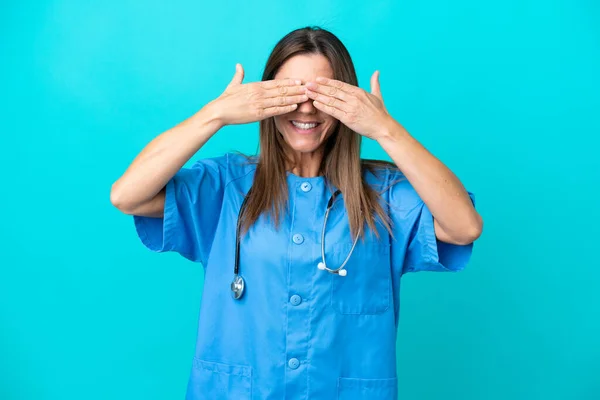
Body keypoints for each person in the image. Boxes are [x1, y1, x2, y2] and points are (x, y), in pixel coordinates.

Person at [111, 26, 483, 400]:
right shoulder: (226, 185)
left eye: (322, 93)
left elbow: (464, 227)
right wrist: (215, 114)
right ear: (264, 97)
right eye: (289, 91)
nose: (305, 107)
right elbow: (128, 196)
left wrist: (386, 130)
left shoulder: (385, 194)